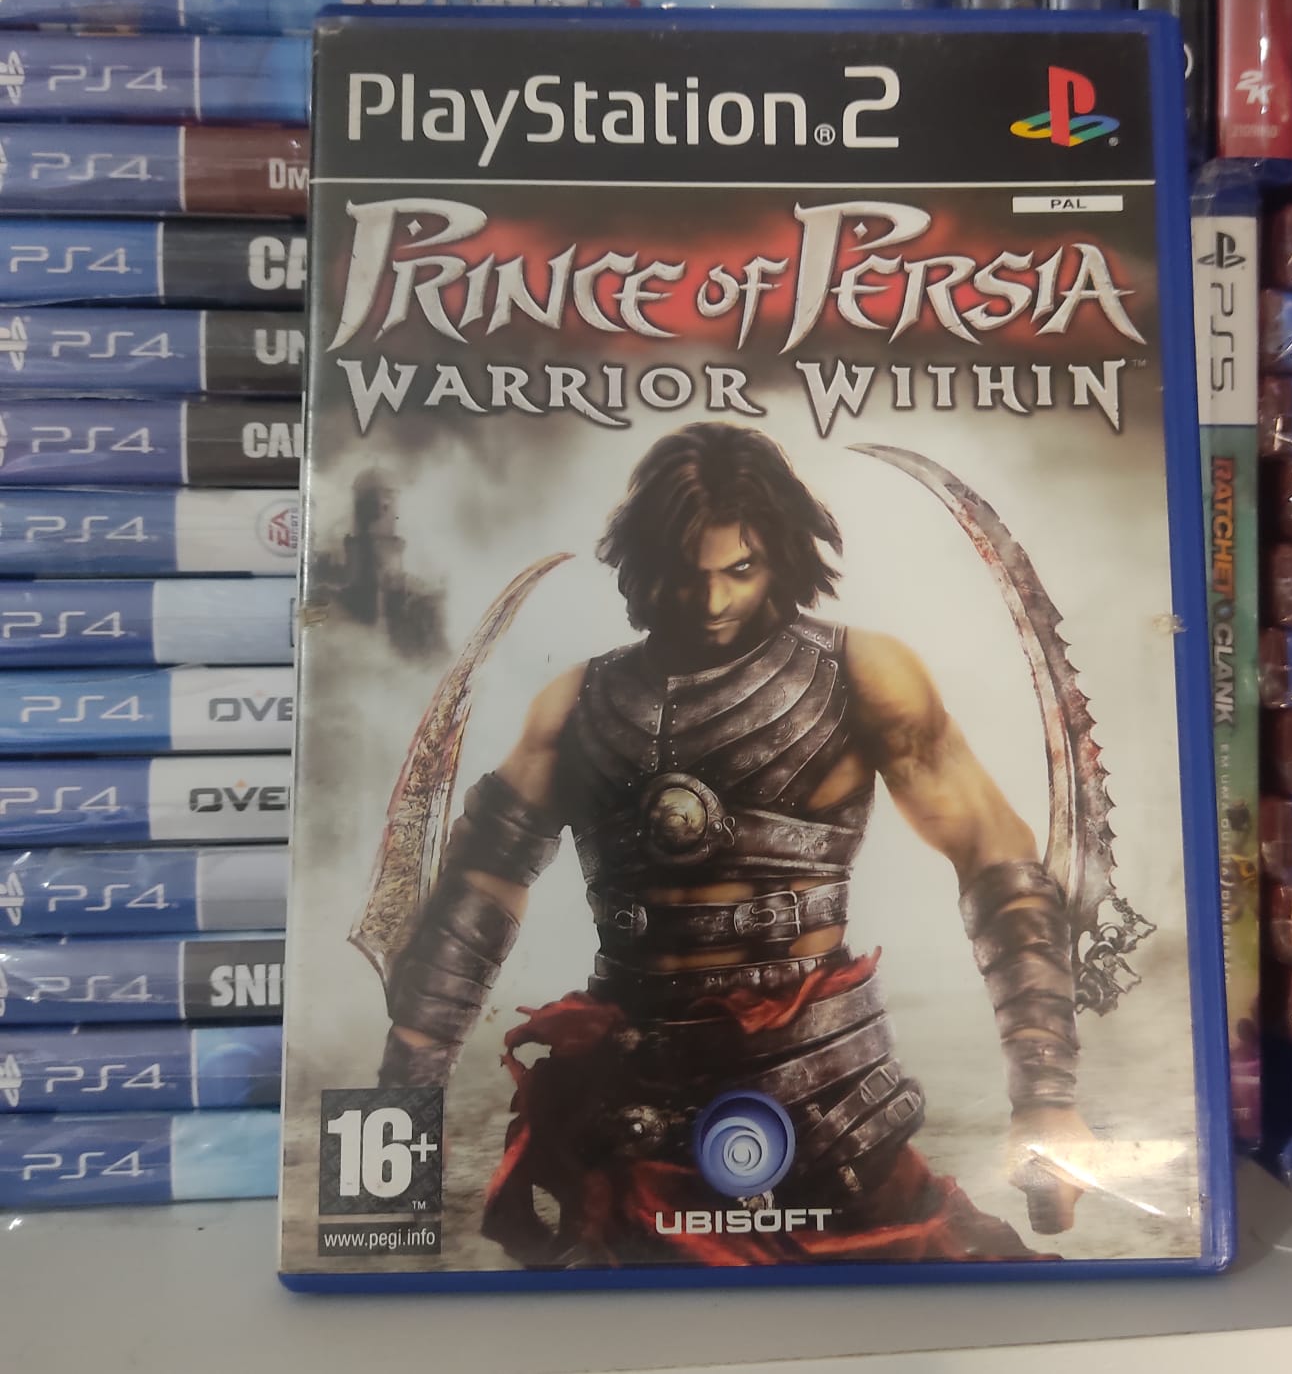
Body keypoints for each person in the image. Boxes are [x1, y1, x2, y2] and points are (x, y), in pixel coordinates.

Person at [376, 421, 1090, 1266]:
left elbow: (996, 865)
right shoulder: (577, 704)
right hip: (632, 1115)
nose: (713, 602)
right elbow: (477, 899)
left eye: (739, 570)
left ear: (781, 558)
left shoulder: (861, 677)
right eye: (689, 572)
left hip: (826, 1108)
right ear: (647, 565)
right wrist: (401, 1115)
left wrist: (1046, 1097)